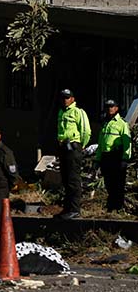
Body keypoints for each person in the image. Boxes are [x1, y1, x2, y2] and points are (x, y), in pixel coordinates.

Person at [56, 89, 91, 220]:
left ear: (72, 99)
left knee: (73, 180)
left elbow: (86, 131)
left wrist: (81, 145)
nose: (65, 100)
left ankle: (75, 209)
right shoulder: (61, 112)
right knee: (65, 179)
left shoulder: (78, 112)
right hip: (63, 146)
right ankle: (67, 208)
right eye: (63, 97)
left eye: (67, 97)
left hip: (74, 147)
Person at [95, 99, 132, 211]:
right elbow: (101, 142)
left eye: (112, 106)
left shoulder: (122, 123)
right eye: (108, 107)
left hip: (116, 156)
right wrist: (98, 159)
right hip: (106, 156)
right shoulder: (105, 123)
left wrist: (125, 159)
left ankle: (118, 206)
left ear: (116, 108)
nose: (109, 109)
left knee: (118, 183)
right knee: (108, 182)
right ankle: (111, 205)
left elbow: (127, 143)